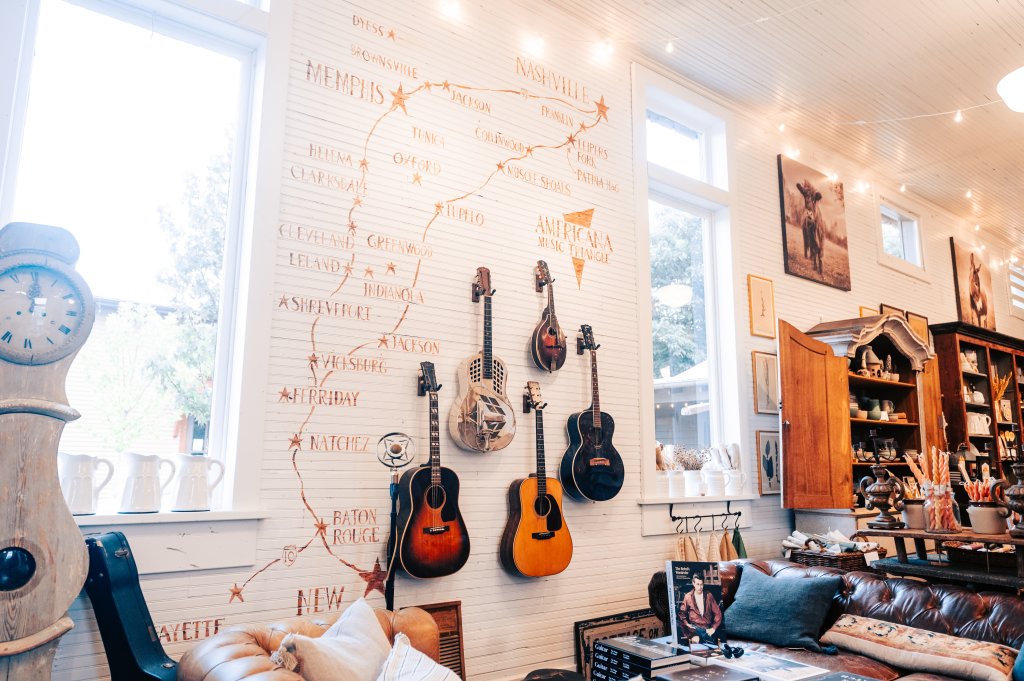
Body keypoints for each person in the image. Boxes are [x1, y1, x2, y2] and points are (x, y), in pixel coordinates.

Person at [677, 571, 723, 646]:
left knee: (714, 643)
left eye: (701, 584)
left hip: (707, 629)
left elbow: (718, 613)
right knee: (680, 627)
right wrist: (687, 623)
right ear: (693, 583)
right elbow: (682, 613)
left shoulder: (709, 595)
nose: (700, 587)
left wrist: (713, 628)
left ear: (703, 584)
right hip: (694, 629)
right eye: (697, 584)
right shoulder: (688, 596)